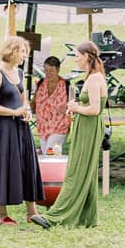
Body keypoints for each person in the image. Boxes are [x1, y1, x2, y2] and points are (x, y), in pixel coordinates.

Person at [0, 36, 49, 227]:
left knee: (27, 164)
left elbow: (23, 99)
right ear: (11, 52)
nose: (24, 55)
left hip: (21, 126)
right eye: (22, 52)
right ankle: (2, 214)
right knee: (5, 165)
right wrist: (13, 112)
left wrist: (26, 111)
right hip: (5, 128)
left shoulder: (19, 72)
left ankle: (32, 211)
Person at [46, 41, 107, 229]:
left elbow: (96, 109)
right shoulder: (91, 76)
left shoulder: (95, 78)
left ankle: (55, 216)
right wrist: (77, 109)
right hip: (85, 125)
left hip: (90, 126)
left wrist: (76, 107)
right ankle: (87, 217)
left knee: (77, 170)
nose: (75, 60)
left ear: (86, 56)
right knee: (85, 169)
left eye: (77, 56)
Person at [33, 56, 71, 154]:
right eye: (46, 70)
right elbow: (33, 103)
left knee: (50, 154)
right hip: (43, 128)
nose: (48, 74)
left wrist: (67, 108)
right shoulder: (41, 84)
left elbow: (73, 105)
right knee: (47, 156)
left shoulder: (66, 85)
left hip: (59, 127)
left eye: (51, 71)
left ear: (58, 69)